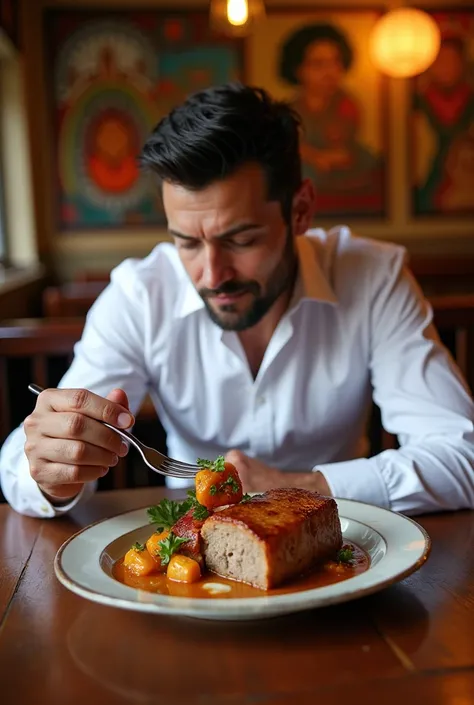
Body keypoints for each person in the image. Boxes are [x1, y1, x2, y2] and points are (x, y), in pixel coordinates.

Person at [1, 83, 473, 519]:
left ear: (301, 211)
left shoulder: (372, 276)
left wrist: (304, 487)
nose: (211, 274)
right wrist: (53, 471)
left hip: (345, 544)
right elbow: (21, 468)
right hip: (191, 561)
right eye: (187, 242)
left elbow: (462, 455)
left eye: (242, 239)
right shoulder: (140, 294)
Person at [278, 23, 383, 215]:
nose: (329, 72)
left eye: (335, 62)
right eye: (318, 64)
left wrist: (327, 158)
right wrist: (313, 156)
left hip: (344, 162)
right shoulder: (291, 109)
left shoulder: (347, 104)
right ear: (298, 69)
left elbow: (344, 147)